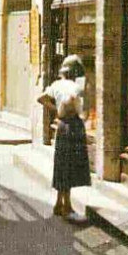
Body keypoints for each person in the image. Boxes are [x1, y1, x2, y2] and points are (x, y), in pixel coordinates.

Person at [43, 54, 91, 217]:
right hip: (75, 126)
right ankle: (67, 205)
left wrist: (55, 109)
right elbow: (84, 109)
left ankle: (59, 203)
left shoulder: (56, 85)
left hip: (62, 126)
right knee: (70, 167)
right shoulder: (77, 88)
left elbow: (41, 98)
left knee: (62, 164)